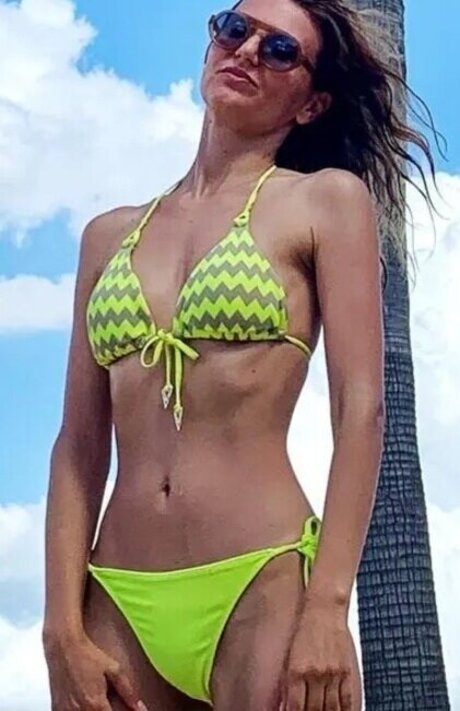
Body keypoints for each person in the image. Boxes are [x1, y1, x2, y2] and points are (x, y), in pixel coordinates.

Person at [42, 0, 438, 709]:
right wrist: (60, 627)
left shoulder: (325, 202)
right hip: (117, 594)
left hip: (261, 581)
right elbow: (78, 443)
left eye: (280, 49)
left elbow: (360, 411)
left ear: (312, 103)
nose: (247, 50)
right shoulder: (107, 237)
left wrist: (328, 608)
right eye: (234, 28)